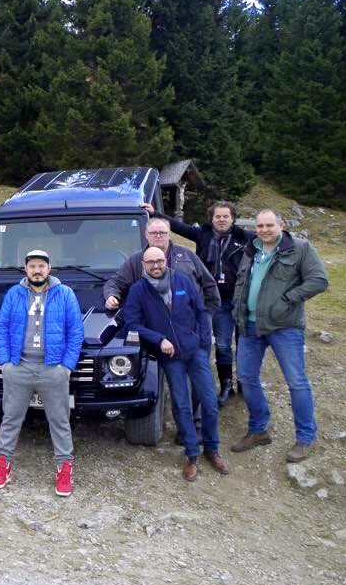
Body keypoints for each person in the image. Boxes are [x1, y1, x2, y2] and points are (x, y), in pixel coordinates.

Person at [230, 210, 329, 463]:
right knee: (246, 377)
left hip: (284, 326)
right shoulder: (251, 249)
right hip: (250, 325)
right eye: (260, 226)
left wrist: (288, 299)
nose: (264, 230)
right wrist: (236, 309)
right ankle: (258, 429)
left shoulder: (300, 248)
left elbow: (319, 280)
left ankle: (305, 438)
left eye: (269, 225)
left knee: (296, 382)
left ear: (281, 225)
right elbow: (243, 282)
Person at [123, 247, 229, 481]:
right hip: (171, 358)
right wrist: (158, 339)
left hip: (195, 352)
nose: (156, 265)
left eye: (159, 260)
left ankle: (212, 449)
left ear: (165, 261)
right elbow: (132, 323)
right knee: (182, 405)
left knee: (210, 402)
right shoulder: (138, 290)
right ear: (143, 265)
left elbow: (200, 311)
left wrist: (202, 342)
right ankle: (192, 455)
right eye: (151, 262)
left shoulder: (181, 280)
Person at [0, 250, 83, 497]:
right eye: (33, 266)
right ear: (26, 269)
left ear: (49, 269)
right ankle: (3, 464)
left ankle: (64, 468)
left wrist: (66, 366)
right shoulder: (14, 293)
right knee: (10, 419)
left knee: (60, 420)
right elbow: (2, 327)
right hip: (19, 367)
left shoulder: (65, 294)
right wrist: (5, 363)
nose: (37, 270)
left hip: (53, 369)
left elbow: (75, 331)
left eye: (41, 266)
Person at [145, 201, 255, 405]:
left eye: (226, 216)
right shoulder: (202, 235)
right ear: (211, 219)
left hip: (242, 300)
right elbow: (177, 226)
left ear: (233, 219)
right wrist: (155, 213)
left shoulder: (245, 238)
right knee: (222, 345)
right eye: (217, 216)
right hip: (218, 301)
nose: (221, 220)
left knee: (244, 344)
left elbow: (269, 242)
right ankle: (226, 385)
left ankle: (244, 383)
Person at [105, 214, 221, 315]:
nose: (158, 236)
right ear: (146, 235)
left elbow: (210, 285)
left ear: (169, 234)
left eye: (162, 232)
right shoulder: (136, 259)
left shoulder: (187, 255)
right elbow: (115, 282)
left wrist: (206, 316)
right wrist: (111, 296)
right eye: (153, 233)